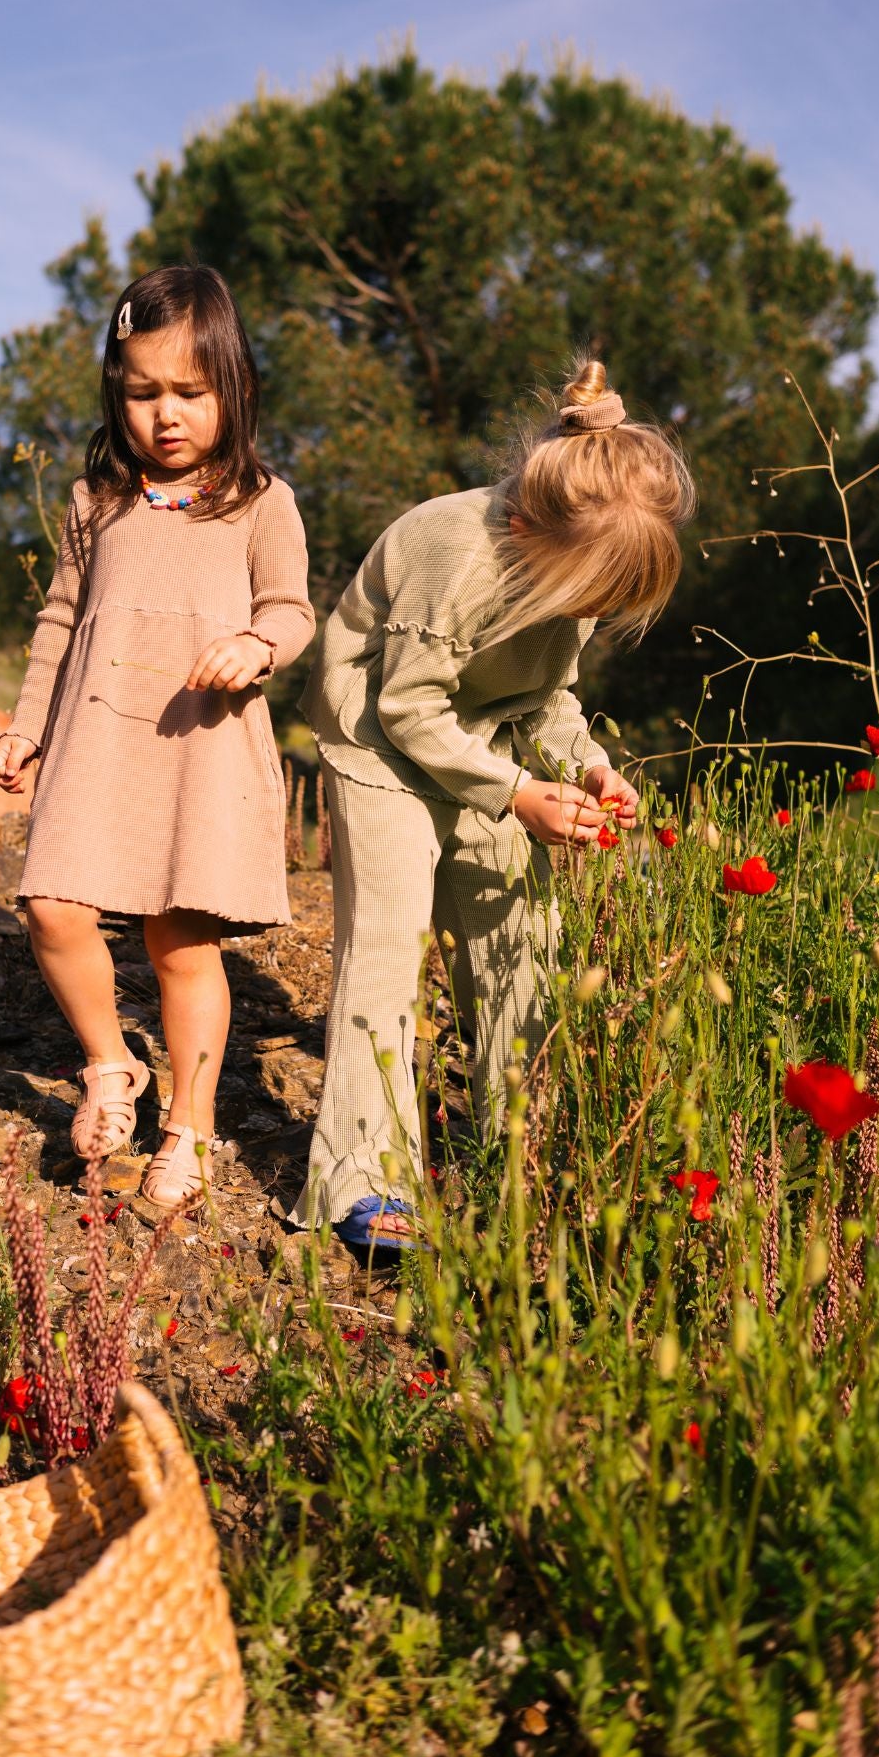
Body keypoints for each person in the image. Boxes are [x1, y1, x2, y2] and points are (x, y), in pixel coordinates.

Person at [293, 359, 695, 1249]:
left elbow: (546, 696)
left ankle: (518, 1148)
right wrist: (517, 794)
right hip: (379, 740)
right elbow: (406, 707)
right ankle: (364, 1183)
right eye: (588, 595)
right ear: (525, 529)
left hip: (485, 739)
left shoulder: (583, 556)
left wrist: (588, 767)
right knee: (388, 951)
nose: (590, 611)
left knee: (519, 942)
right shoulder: (458, 549)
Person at [0, 266, 314, 1206]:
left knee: (179, 944)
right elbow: (58, 622)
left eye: (189, 391)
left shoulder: (262, 500)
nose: (165, 414)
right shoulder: (96, 503)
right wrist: (26, 725)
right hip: (96, 742)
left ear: (236, 389)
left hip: (197, 751)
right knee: (51, 907)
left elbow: (291, 610)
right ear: (115, 393)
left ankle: (191, 1129)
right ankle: (109, 1065)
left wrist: (256, 644)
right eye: (141, 393)